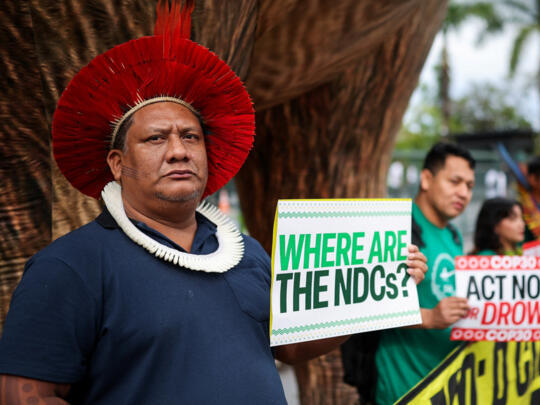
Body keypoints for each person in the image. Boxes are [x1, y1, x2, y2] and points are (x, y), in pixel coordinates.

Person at [0, 2, 427, 404]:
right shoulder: (70, 266)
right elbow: (24, 393)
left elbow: (293, 346)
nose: (178, 150)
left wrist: (379, 291)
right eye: (155, 138)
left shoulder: (248, 253)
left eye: (191, 136)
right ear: (117, 163)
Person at [373, 142, 475, 405]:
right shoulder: (395, 226)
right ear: (426, 179)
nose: (463, 193)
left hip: (447, 385)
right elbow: (368, 307)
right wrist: (430, 317)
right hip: (405, 389)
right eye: (455, 181)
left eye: (470, 186)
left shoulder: (453, 234)